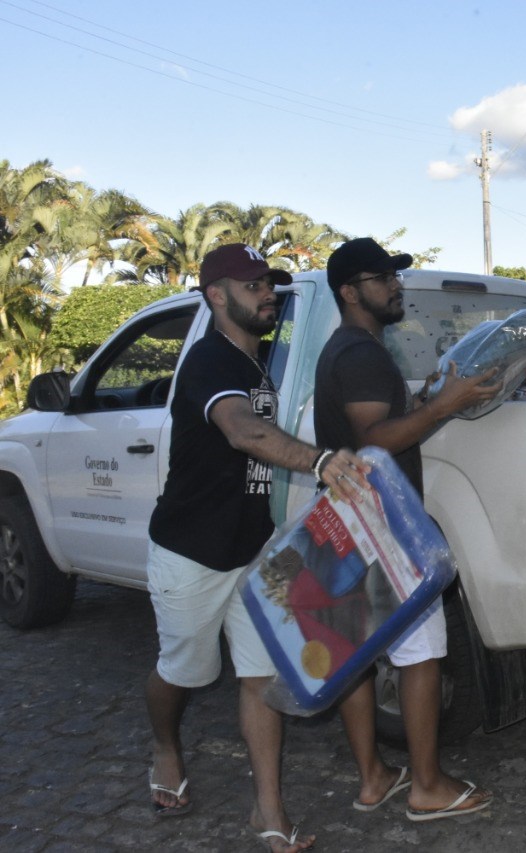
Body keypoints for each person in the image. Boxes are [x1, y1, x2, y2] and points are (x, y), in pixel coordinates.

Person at [146, 243, 369, 853]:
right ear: (216, 296)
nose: (267, 293)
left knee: (262, 677)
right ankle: (166, 745)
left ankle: (268, 812)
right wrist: (321, 461)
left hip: (252, 549)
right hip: (191, 552)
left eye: (269, 283)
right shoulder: (209, 362)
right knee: (181, 673)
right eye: (251, 286)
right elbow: (244, 430)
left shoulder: (259, 360)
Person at [315, 237, 500, 822]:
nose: (395, 286)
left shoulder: (350, 349)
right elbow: (372, 441)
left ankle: (373, 779)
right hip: (382, 521)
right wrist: (445, 405)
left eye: (395, 276)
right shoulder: (361, 353)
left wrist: (425, 397)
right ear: (350, 291)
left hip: (350, 519)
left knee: (358, 654)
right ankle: (426, 786)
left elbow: (377, 423)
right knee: (421, 653)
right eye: (381, 278)